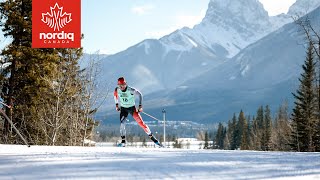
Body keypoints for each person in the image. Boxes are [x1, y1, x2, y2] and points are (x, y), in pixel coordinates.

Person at [113, 76, 162, 147]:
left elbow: (140, 95)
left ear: (125, 84)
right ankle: (123, 142)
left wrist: (140, 106)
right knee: (122, 124)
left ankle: (154, 139)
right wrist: (117, 105)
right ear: (118, 85)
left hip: (132, 108)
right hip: (123, 109)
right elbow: (115, 96)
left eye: (123, 85)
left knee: (141, 123)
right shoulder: (117, 90)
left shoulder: (130, 90)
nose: (122, 87)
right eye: (120, 85)